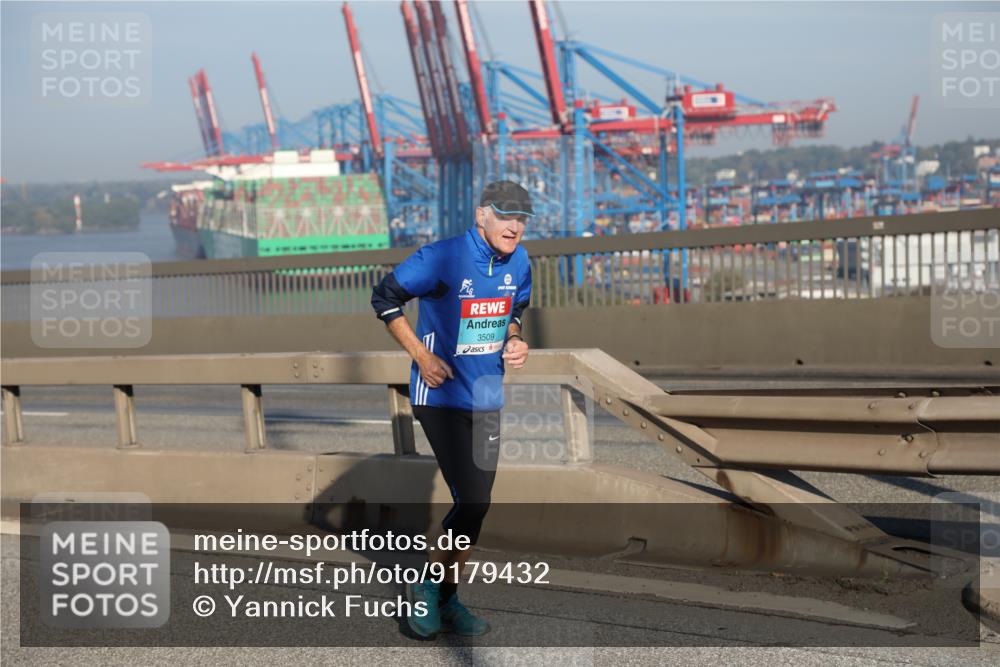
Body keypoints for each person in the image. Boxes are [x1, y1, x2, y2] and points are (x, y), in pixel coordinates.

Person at [371, 180, 533, 638]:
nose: (515, 226)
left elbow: (516, 306)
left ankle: (446, 597)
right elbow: (384, 298)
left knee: (475, 509)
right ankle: (426, 588)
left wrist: (516, 338)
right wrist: (421, 357)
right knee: (474, 500)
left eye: (522, 219)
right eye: (505, 215)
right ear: (481, 215)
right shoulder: (441, 257)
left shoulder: (519, 260)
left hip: (486, 397)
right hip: (439, 396)